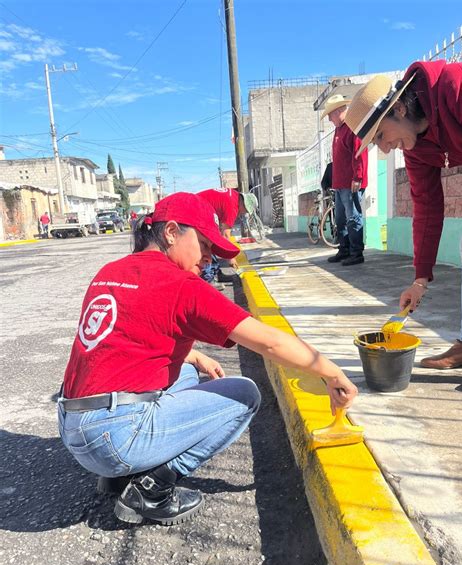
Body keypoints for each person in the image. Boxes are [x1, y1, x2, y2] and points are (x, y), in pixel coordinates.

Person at [57, 192, 358, 527]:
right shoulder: (181, 284)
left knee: (186, 374)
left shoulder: (112, 270)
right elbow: (269, 343)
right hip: (113, 438)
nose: (208, 258)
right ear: (171, 232)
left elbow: (127, 340)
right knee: (244, 395)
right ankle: (152, 487)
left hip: (74, 426)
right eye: (203, 244)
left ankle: (116, 475)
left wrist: (194, 354)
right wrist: (331, 372)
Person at [345, 60, 462, 392]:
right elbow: (427, 208)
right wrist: (419, 280)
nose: (386, 150)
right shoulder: (417, 148)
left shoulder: (458, 88)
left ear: (399, 108)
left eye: (382, 136)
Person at [320, 94, 368, 266]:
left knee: (353, 217)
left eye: (331, 115)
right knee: (340, 218)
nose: (330, 119)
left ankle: (356, 252)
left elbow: (360, 153)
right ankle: (344, 249)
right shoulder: (339, 130)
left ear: (340, 111)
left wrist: (358, 177)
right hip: (340, 183)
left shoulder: (352, 127)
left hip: (351, 182)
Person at [197, 188, 258, 284]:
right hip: (197, 211)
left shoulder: (234, 196)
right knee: (207, 242)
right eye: (245, 211)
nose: (243, 213)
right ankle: (208, 279)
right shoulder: (232, 207)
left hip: (201, 210)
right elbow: (225, 235)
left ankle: (216, 273)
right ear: (243, 204)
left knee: (213, 237)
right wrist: (231, 258)